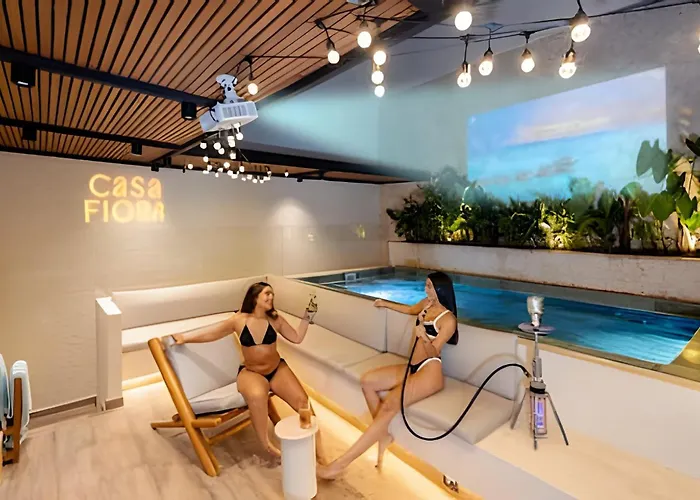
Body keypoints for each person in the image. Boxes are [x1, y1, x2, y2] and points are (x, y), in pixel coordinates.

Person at [317, 271, 458, 479]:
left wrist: (424, 336)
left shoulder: (448, 319)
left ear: (440, 289)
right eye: (426, 285)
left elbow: (434, 351)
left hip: (430, 371)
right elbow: (409, 309)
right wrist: (384, 303)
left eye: (429, 286)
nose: (425, 290)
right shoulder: (426, 304)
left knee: (389, 404)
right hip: (412, 366)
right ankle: (382, 435)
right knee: (367, 382)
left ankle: (339, 465)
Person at [171, 281, 322, 460]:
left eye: (272, 294)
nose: (271, 297)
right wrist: (185, 338)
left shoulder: (275, 319)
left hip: (277, 369)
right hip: (252, 372)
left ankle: (318, 450)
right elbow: (213, 333)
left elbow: (296, 338)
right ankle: (267, 445)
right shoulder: (238, 320)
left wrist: (307, 317)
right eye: (267, 293)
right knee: (257, 396)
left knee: (303, 402)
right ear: (255, 297)